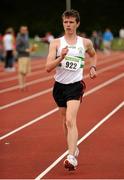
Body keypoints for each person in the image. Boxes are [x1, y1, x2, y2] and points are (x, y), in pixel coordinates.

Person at [45, 9, 97, 171]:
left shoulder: (85, 43)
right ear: (63, 23)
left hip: (75, 85)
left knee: (70, 120)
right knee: (65, 122)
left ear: (77, 23)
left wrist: (93, 67)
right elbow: (48, 68)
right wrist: (61, 57)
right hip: (59, 87)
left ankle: (71, 156)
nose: (68, 25)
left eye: (71, 22)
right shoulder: (56, 43)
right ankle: (74, 146)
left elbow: (93, 55)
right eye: (65, 22)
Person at [16, 26, 37, 90]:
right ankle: (21, 85)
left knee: (25, 72)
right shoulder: (19, 37)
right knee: (21, 71)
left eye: (25, 30)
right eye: (23, 30)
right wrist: (25, 50)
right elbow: (17, 48)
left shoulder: (26, 36)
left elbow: (27, 45)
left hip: (27, 56)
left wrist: (31, 49)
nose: (25, 31)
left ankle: (24, 84)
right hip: (22, 56)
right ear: (20, 30)